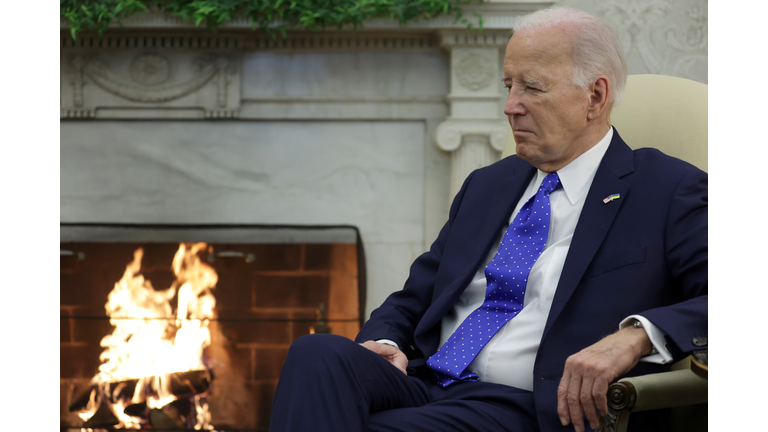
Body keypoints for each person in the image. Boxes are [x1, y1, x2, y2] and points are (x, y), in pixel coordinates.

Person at [270, 6, 707, 432]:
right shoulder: (488, 185)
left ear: (595, 96)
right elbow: (415, 296)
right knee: (315, 353)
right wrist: (386, 343)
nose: (510, 106)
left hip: (525, 401)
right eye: (508, 85)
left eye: (532, 88)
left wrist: (634, 336)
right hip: (429, 383)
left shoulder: (667, 189)